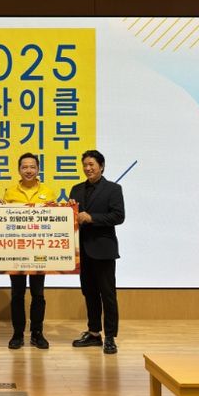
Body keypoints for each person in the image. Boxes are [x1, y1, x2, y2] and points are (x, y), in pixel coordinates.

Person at [69, 150, 125, 355]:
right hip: (82, 250)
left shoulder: (113, 189)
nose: (88, 168)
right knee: (89, 292)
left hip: (103, 249)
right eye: (85, 165)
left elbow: (118, 216)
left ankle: (110, 336)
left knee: (108, 294)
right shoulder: (76, 189)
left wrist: (91, 218)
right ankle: (94, 333)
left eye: (91, 164)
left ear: (101, 166)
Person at [3, 152, 57, 350]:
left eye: (32, 167)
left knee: (38, 294)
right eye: (24, 167)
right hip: (16, 251)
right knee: (17, 294)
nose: (28, 170)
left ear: (38, 169)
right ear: (19, 170)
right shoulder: (9, 193)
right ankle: (17, 334)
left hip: (40, 251)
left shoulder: (48, 192)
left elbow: (54, 220)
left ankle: (37, 333)